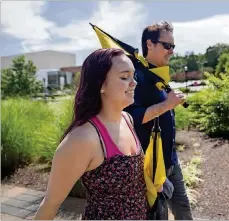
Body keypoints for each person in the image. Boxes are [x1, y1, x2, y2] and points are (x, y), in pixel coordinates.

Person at [34, 48, 149, 220]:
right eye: (125, 77)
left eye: (134, 76)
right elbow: (50, 204)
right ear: (101, 84)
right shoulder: (83, 138)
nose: (134, 83)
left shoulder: (127, 119)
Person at [124, 21, 193, 220]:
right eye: (167, 45)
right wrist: (165, 105)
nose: (171, 51)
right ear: (150, 44)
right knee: (157, 216)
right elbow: (131, 117)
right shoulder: (135, 77)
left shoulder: (160, 75)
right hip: (151, 167)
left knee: (184, 213)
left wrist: (170, 101)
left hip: (171, 160)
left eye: (173, 46)